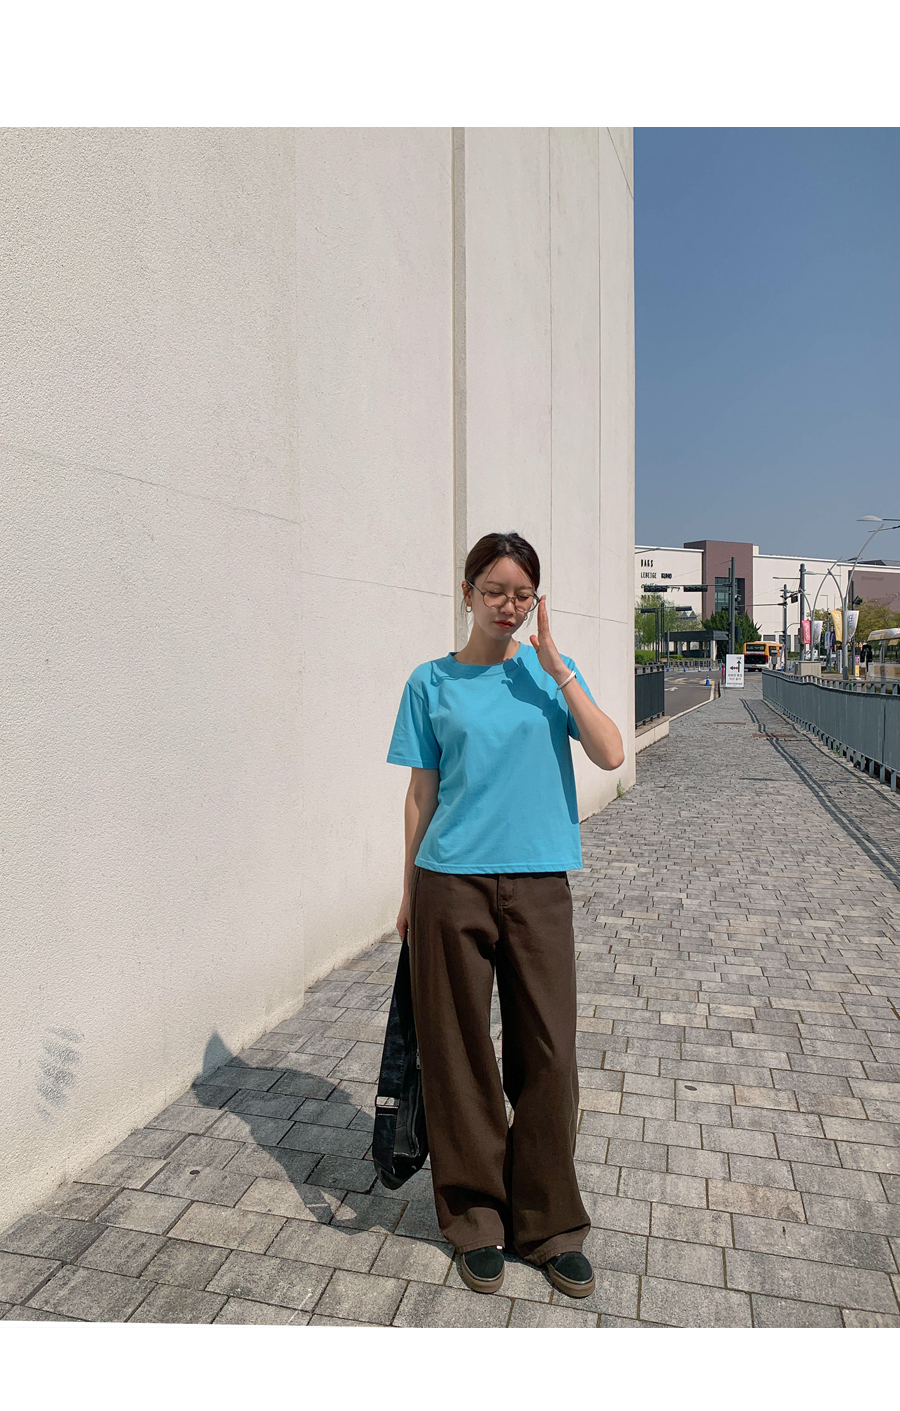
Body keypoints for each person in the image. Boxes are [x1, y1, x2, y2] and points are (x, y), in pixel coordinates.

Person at [386, 531, 625, 1298]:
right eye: (494, 590)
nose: (508, 605)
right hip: (448, 882)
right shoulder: (430, 682)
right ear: (467, 592)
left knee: (549, 1054)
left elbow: (611, 753)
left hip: (538, 885)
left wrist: (559, 669)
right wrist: (408, 891)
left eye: (522, 593)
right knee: (458, 1055)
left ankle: (550, 1224)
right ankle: (476, 1220)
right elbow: (420, 793)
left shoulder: (549, 673)